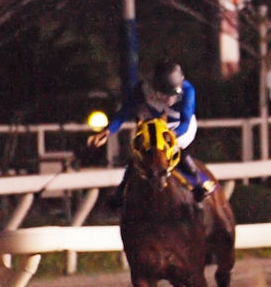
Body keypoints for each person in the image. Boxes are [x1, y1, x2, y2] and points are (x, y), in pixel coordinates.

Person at [87, 59, 217, 205]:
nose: (169, 99)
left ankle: (198, 181)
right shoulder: (142, 89)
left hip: (178, 127)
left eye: (172, 94)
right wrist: (107, 131)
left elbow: (185, 122)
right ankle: (121, 192)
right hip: (154, 125)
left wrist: (171, 136)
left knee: (173, 150)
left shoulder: (188, 91)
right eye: (164, 94)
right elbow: (124, 112)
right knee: (140, 153)